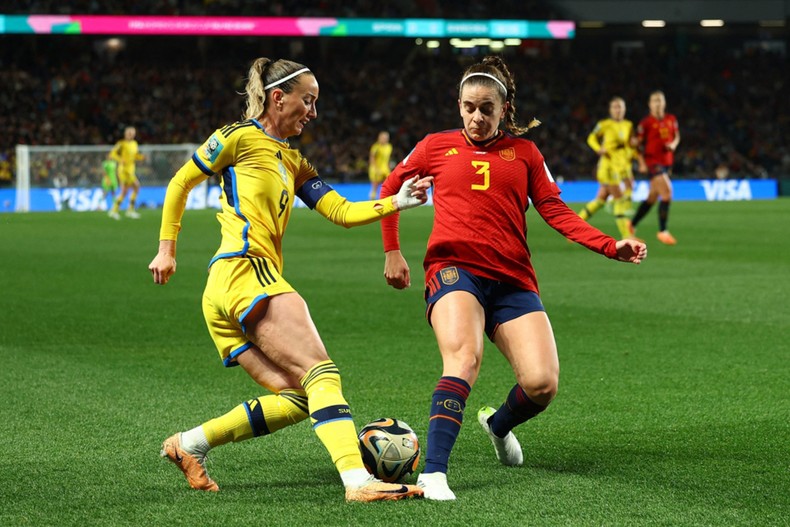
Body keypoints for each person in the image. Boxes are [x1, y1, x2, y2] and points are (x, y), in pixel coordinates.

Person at [148, 58, 432, 502]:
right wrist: (167, 248)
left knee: (300, 397)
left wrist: (397, 201)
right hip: (246, 271)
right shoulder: (238, 137)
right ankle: (358, 481)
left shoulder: (295, 162)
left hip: (228, 290)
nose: (313, 112)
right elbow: (180, 183)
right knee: (321, 372)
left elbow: (340, 211)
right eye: (308, 100)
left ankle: (188, 445)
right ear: (277, 97)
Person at [379, 56, 647, 501]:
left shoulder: (525, 154)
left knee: (542, 384)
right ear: (458, 105)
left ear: (504, 110)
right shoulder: (433, 147)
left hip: (512, 277)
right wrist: (392, 250)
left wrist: (609, 245)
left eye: (486, 109)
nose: (476, 117)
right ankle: (433, 473)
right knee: (464, 358)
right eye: (468, 107)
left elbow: (556, 211)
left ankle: (498, 423)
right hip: (453, 268)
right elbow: (390, 189)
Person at [577, 97, 636, 240]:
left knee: (600, 200)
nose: (618, 110)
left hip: (619, 166)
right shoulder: (604, 124)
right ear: (610, 110)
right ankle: (628, 236)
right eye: (615, 107)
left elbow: (629, 145)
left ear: (624, 109)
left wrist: (632, 154)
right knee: (620, 199)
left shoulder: (628, 125)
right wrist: (598, 149)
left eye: (620, 107)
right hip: (607, 167)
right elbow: (591, 138)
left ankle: (575, 228)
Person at [632, 90, 681, 245]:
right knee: (667, 192)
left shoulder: (671, 119)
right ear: (650, 105)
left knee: (652, 198)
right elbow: (636, 145)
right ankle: (663, 231)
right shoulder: (646, 123)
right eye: (655, 101)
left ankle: (631, 226)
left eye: (660, 100)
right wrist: (641, 162)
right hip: (652, 162)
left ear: (664, 103)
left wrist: (673, 144)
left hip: (667, 162)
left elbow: (677, 136)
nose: (658, 103)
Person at [108, 126, 145, 219]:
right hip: (123, 170)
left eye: (132, 133)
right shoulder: (121, 144)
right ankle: (127, 210)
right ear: (125, 134)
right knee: (135, 187)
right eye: (129, 133)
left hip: (131, 170)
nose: (131, 135)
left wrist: (140, 157)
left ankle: (116, 210)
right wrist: (120, 159)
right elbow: (112, 153)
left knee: (126, 191)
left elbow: (134, 155)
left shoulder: (134, 143)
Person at [368, 130, 393, 199]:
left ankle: (384, 197)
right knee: (375, 185)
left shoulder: (389, 147)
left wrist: (389, 167)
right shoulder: (376, 147)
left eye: (386, 138)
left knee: (388, 183)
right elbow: (372, 157)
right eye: (383, 138)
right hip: (376, 168)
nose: (385, 139)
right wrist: (375, 168)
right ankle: (372, 198)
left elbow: (388, 158)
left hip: (385, 168)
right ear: (379, 138)